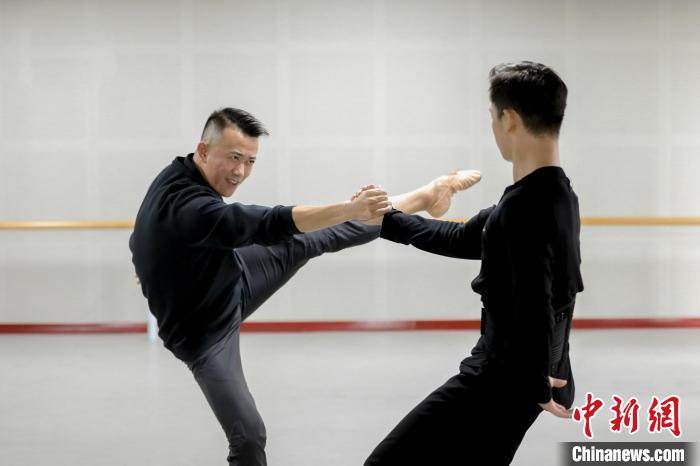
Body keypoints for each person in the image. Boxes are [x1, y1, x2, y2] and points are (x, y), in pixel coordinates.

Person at [129, 107, 481, 466]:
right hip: (204, 334)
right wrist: (350, 209)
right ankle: (415, 199)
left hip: (232, 276)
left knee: (313, 238)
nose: (240, 172)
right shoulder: (191, 206)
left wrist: (154, 267)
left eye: (250, 161)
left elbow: (142, 235)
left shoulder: (178, 173)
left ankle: (427, 195)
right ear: (203, 150)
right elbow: (265, 222)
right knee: (249, 435)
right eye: (234, 158)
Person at [364, 62, 585, 465]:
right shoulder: (555, 195)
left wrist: (536, 382)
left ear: (509, 119)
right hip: (517, 375)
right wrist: (387, 219)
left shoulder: (526, 206)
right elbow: (463, 238)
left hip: (501, 377)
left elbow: (537, 300)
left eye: (492, 117)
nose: (493, 127)